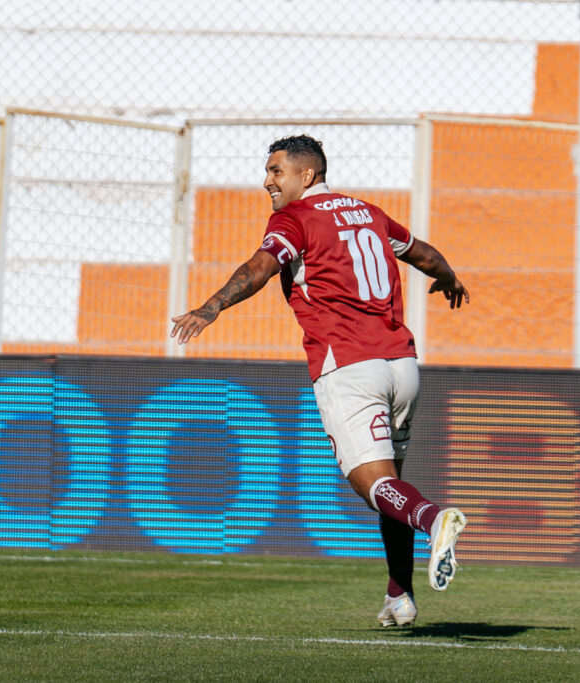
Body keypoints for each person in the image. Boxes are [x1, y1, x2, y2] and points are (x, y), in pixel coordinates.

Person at [170, 134, 470, 628]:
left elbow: (260, 267)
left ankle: (435, 520)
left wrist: (212, 306)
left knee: (371, 484)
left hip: (350, 366)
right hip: (402, 365)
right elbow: (424, 254)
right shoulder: (369, 213)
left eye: (276, 171)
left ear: (306, 175)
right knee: (391, 484)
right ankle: (400, 594)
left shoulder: (294, 219)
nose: (267, 180)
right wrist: (451, 277)